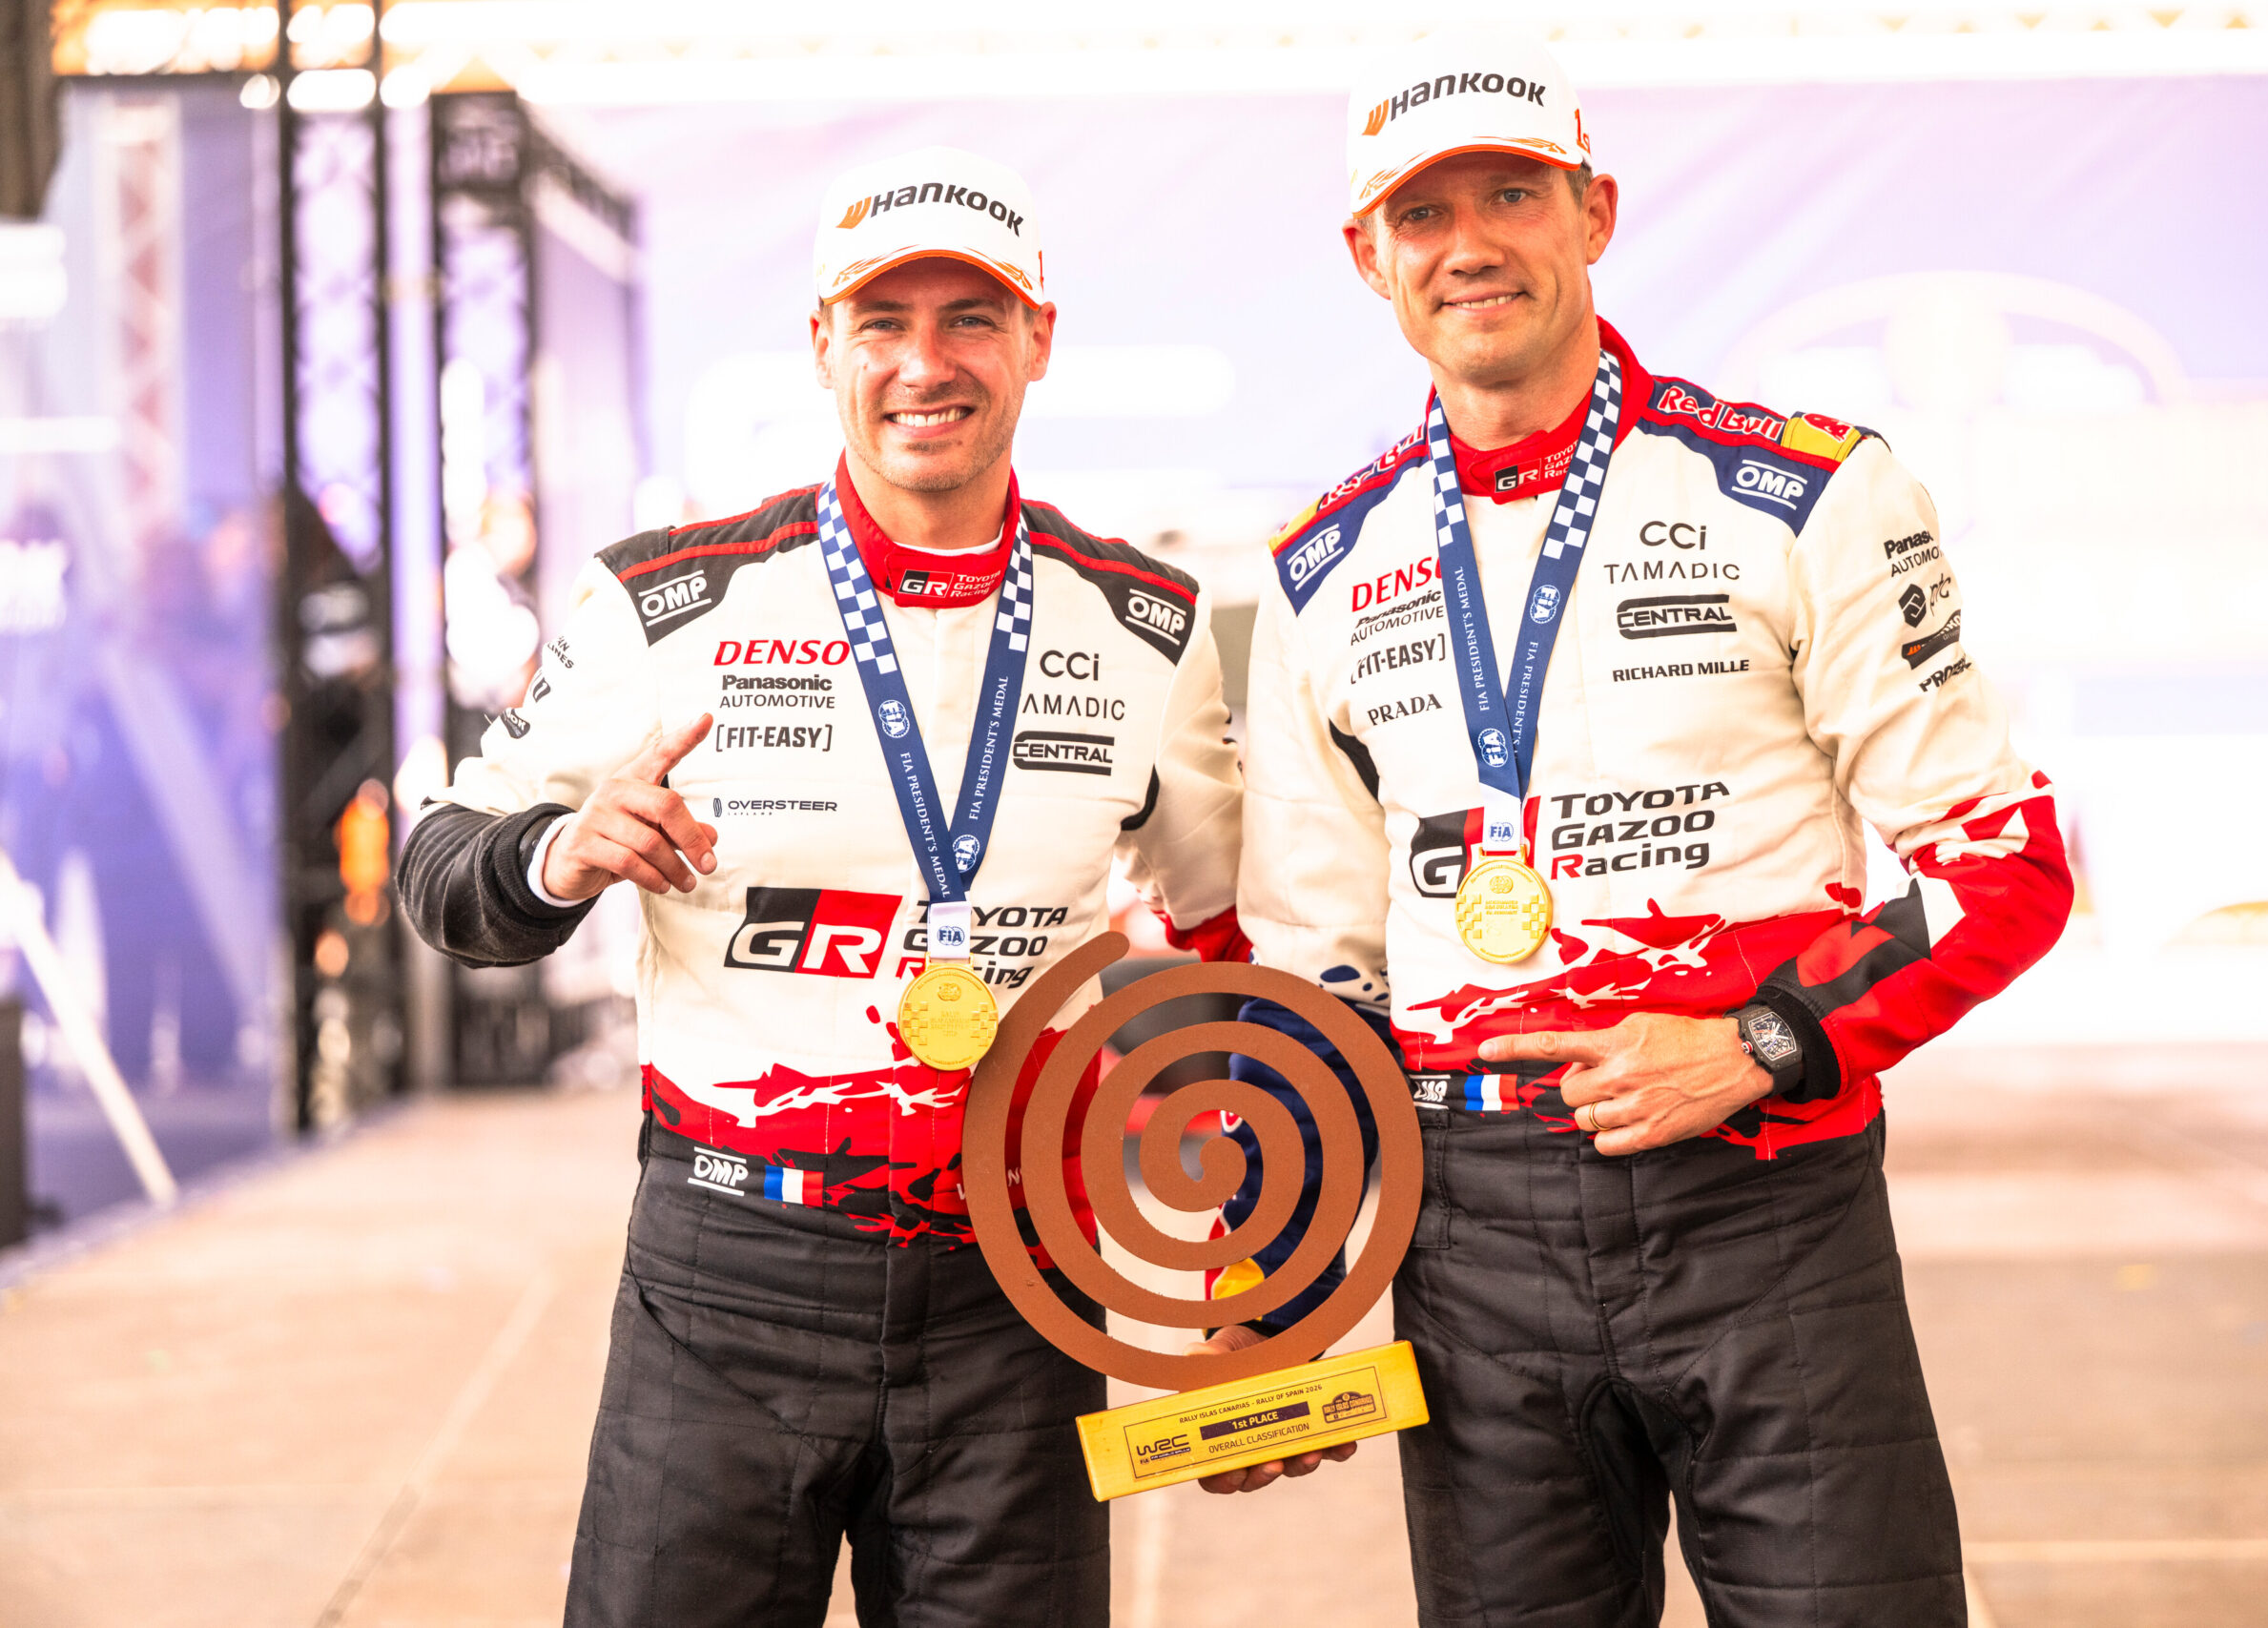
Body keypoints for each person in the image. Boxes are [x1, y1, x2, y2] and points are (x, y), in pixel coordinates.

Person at [1196, 30, 2073, 1628]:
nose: (1469, 245)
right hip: (1466, 1232)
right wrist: (1276, 1272)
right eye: (1421, 213)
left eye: (1512, 195)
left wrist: (1763, 1041)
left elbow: (2003, 868)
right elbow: (1317, 971)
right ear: (1369, 259)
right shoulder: (1321, 565)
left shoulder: (1808, 492)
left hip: (1761, 1192)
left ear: (1593, 212)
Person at [401, 146, 1247, 1628]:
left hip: (1018, 1292)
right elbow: (440, 860)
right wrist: (557, 851)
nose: (926, 362)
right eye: (882, 322)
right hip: (727, 1279)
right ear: (821, 345)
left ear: (1038, 339)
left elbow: (1236, 956)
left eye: (971, 318)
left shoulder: (1148, 628)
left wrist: (1250, 1273)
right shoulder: (667, 602)